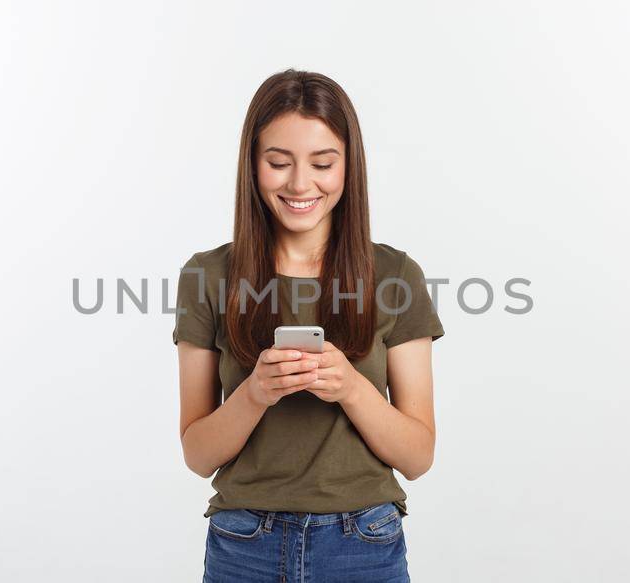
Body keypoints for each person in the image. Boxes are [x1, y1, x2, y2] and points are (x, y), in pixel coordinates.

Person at [173, 69, 444, 582]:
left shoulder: (394, 276)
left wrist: (351, 389)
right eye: (279, 162)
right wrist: (256, 393)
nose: (300, 184)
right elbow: (197, 453)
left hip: (363, 542)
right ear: (253, 166)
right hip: (243, 543)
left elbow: (418, 455)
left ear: (349, 167)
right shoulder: (208, 277)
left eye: (322, 163)